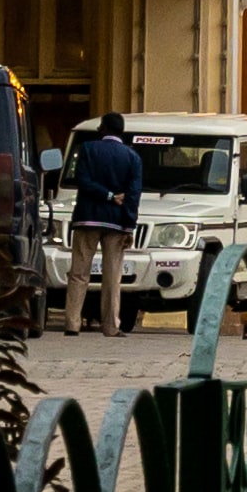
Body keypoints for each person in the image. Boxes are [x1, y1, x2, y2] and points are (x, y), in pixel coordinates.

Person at [64, 110, 147, 334]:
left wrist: (105, 194)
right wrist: (129, 225)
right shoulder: (132, 157)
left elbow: (82, 181)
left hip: (87, 218)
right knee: (113, 276)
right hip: (117, 222)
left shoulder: (88, 149)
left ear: (103, 128)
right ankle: (111, 325)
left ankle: (72, 323)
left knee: (79, 272)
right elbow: (133, 195)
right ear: (122, 131)